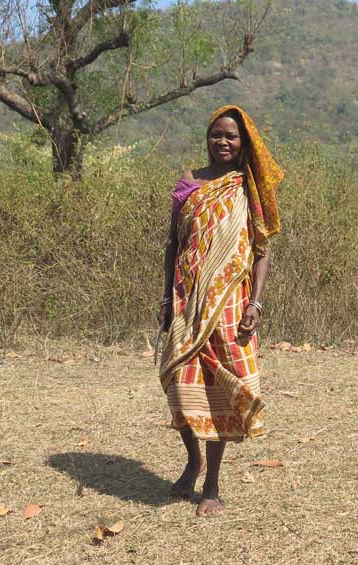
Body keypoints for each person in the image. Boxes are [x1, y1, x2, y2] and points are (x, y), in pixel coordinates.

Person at [157, 105, 283, 517]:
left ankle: (211, 480)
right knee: (180, 383)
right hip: (186, 301)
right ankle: (192, 459)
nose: (223, 142)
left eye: (231, 136)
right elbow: (174, 245)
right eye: (216, 135)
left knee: (224, 391)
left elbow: (261, 251)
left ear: (244, 143)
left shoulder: (248, 189)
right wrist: (165, 299)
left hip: (231, 304)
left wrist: (255, 302)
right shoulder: (190, 184)